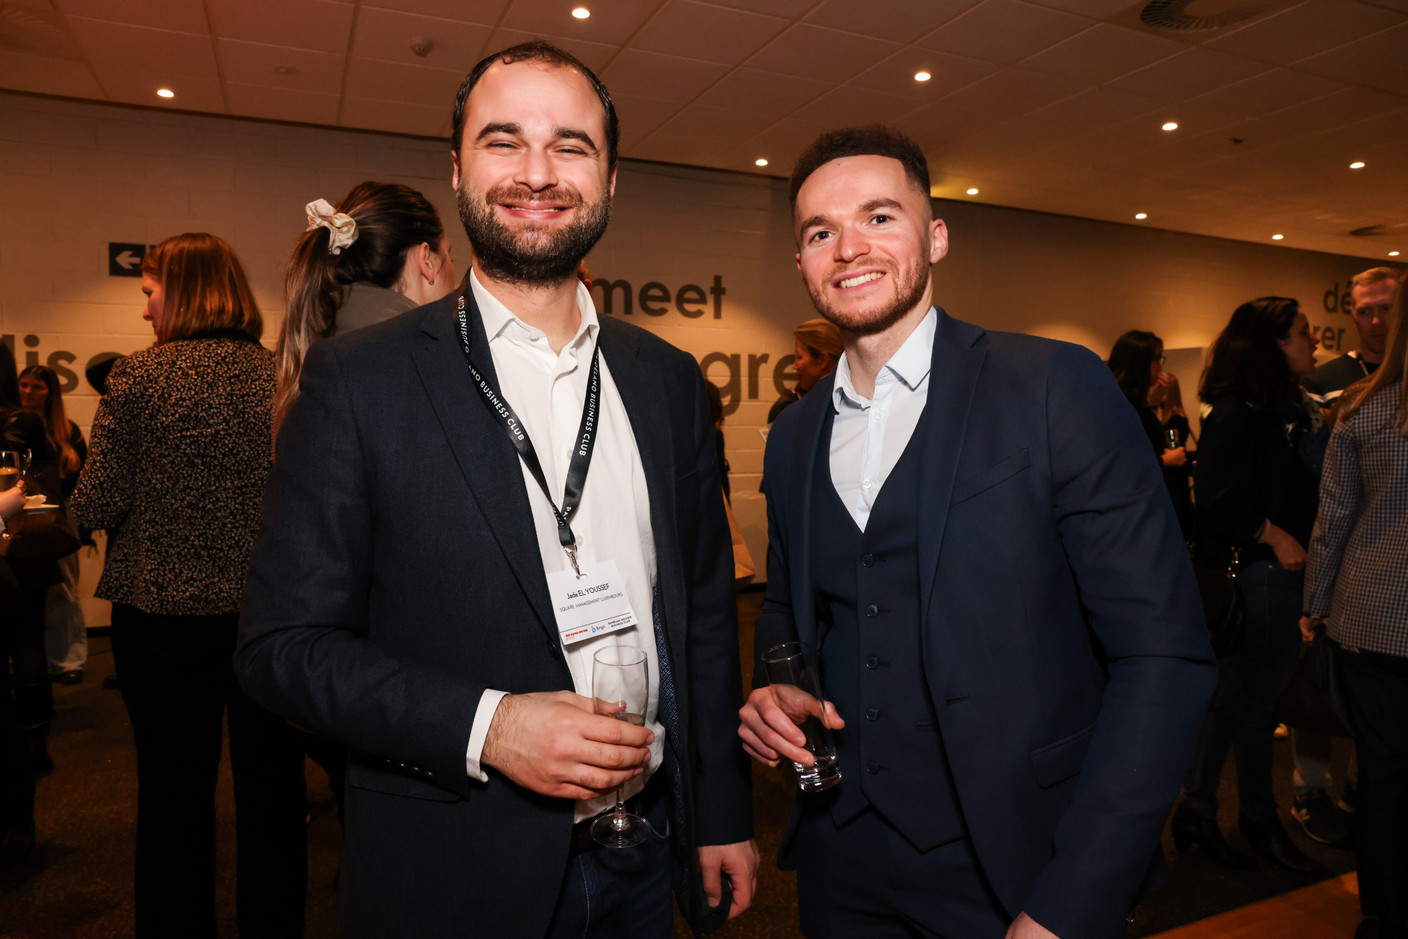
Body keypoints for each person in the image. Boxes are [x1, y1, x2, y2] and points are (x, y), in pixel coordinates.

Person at [236, 40, 757, 938]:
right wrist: (489, 725)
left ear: (612, 176)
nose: (537, 173)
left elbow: (705, 614)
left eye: (571, 146)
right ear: (458, 165)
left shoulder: (668, 380)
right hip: (456, 870)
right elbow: (282, 648)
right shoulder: (360, 381)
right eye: (504, 140)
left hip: (649, 849)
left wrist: (722, 814)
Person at [738, 125, 1215, 939]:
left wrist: (1071, 904)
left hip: (1023, 866)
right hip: (839, 864)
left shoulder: (1053, 386)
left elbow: (1162, 657)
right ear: (802, 262)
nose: (849, 247)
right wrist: (772, 693)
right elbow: (789, 610)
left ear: (936, 235)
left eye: (879, 218)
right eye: (821, 232)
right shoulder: (792, 435)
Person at [71, 233, 307, 939]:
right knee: (273, 793)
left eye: (149, 291)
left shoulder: (138, 379)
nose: (145, 310)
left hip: (162, 623)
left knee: (173, 798)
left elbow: (98, 500)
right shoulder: (281, 377)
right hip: (266, 620)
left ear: (183, 288)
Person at [1174, 296, 1327, 874]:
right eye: (1303, 333)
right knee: (1255, 709)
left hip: (1270, 578)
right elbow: (1213, 500)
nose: (1314, 342)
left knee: (1233, 705)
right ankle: (1254, 820)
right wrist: (1276, 534)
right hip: (1258, 578)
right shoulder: (1238, 413)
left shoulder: (1283, 413)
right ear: (1273, 345)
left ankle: (1201, 813)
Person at [1304, 284, 1408, 939]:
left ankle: (1386, 915)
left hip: (1374, 622)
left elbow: (1333, 519)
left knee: (1387, 777)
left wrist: (1313, 605)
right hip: (1376, 626)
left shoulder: (1363, 411)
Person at [274, 180, 456, 434]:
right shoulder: (426, 368)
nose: (454, 273)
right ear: (426, 260)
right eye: (449, 255)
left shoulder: (324, 346)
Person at [18, 365, 88, 684]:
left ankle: (67, 660)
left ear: (51, 393)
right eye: (24, 385)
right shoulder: (10, 426)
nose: (29, 391)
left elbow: (83, 474)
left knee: (63, 589)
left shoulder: (67, 430)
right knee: (16, 588)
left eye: (37, 387)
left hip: (60, 514)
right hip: (15, 515)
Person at [1108, 331, 1191, 539]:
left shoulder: (1121, 398)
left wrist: (1150, 403)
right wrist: (1165, 460)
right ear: (1141, 362)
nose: (1161, 366)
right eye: (1157, 358)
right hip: (1141, 510)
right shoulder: (1124, 403)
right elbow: (1124, 462)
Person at [1303, 267, 1399, 410]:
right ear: (1353, 315)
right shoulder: (1320, 381)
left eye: (1386, 308)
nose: (1376, 321)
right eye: (1364, 312)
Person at [768, 318, 843, 423]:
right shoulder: (787, 407)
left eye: (799, 357)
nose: (794, 366)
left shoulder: (848, 407)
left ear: (823, 360)